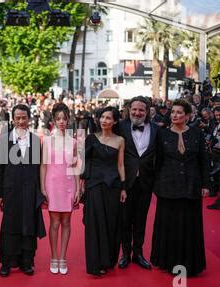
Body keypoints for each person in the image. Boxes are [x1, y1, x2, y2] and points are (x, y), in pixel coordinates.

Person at [151, 99, 208, 277]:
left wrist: (206, 184)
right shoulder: (162, 134)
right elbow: (157, 161)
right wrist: (156, 184)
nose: (174, 115)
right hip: (168, 185)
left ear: (188, 116)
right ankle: (168, 261)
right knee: (170, 224)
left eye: (179, 112)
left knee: (190, 225)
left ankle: (190, 263)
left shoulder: (197, 133)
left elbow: (203, 161)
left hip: (192, 185)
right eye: (173, 112)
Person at [0, 104, 46, 277]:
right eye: (18, 118)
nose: (21, 121)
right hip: (10, 190)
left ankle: (26, 262)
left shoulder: (36, 140)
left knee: (28, 224)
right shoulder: (4, 139)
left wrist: (40, 191)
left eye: (24, 118)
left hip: (30, 190)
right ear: (13, 120)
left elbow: (39, 168)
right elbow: (0, 168)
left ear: (29, 119)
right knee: (10, 224)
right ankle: (6, 263)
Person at [80, 107, 126, 276]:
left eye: (108, 118)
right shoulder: (91, 138)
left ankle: (108, 260)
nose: (104, 120)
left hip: (113, 186)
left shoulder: (120, 140)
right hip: (94, 185)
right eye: (102, 117)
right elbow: (84, 163)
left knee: (111, 223)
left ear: (115, 121)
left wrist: (123, 187)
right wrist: (81, 186)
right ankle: (95, 264)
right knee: (94, 224)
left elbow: (120, 165)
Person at [118, 96, 158, 270]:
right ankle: (125, 254)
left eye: (141, 110)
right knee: (125, 220)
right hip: (126, 182)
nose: (137, 112)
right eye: (134, 109)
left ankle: (138, 253)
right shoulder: (120, 127)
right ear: (129, 109)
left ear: (147, 111)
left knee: (141, 220)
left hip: (146, 182)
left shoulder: (157, 130)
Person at [40, 103, 80, 275]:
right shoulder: (47, 141)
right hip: (52, 184)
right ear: (54, 120)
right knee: (54, 223)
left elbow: (75, 165)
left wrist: (78, 188)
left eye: (64, 118)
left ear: (68, 119)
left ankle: (63, 257)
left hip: (69, 184)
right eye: (58, 119)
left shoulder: (73, 141)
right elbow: (43, 165)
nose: (62, 122)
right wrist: (42, 186)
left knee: (66, 222)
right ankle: (54, 257)